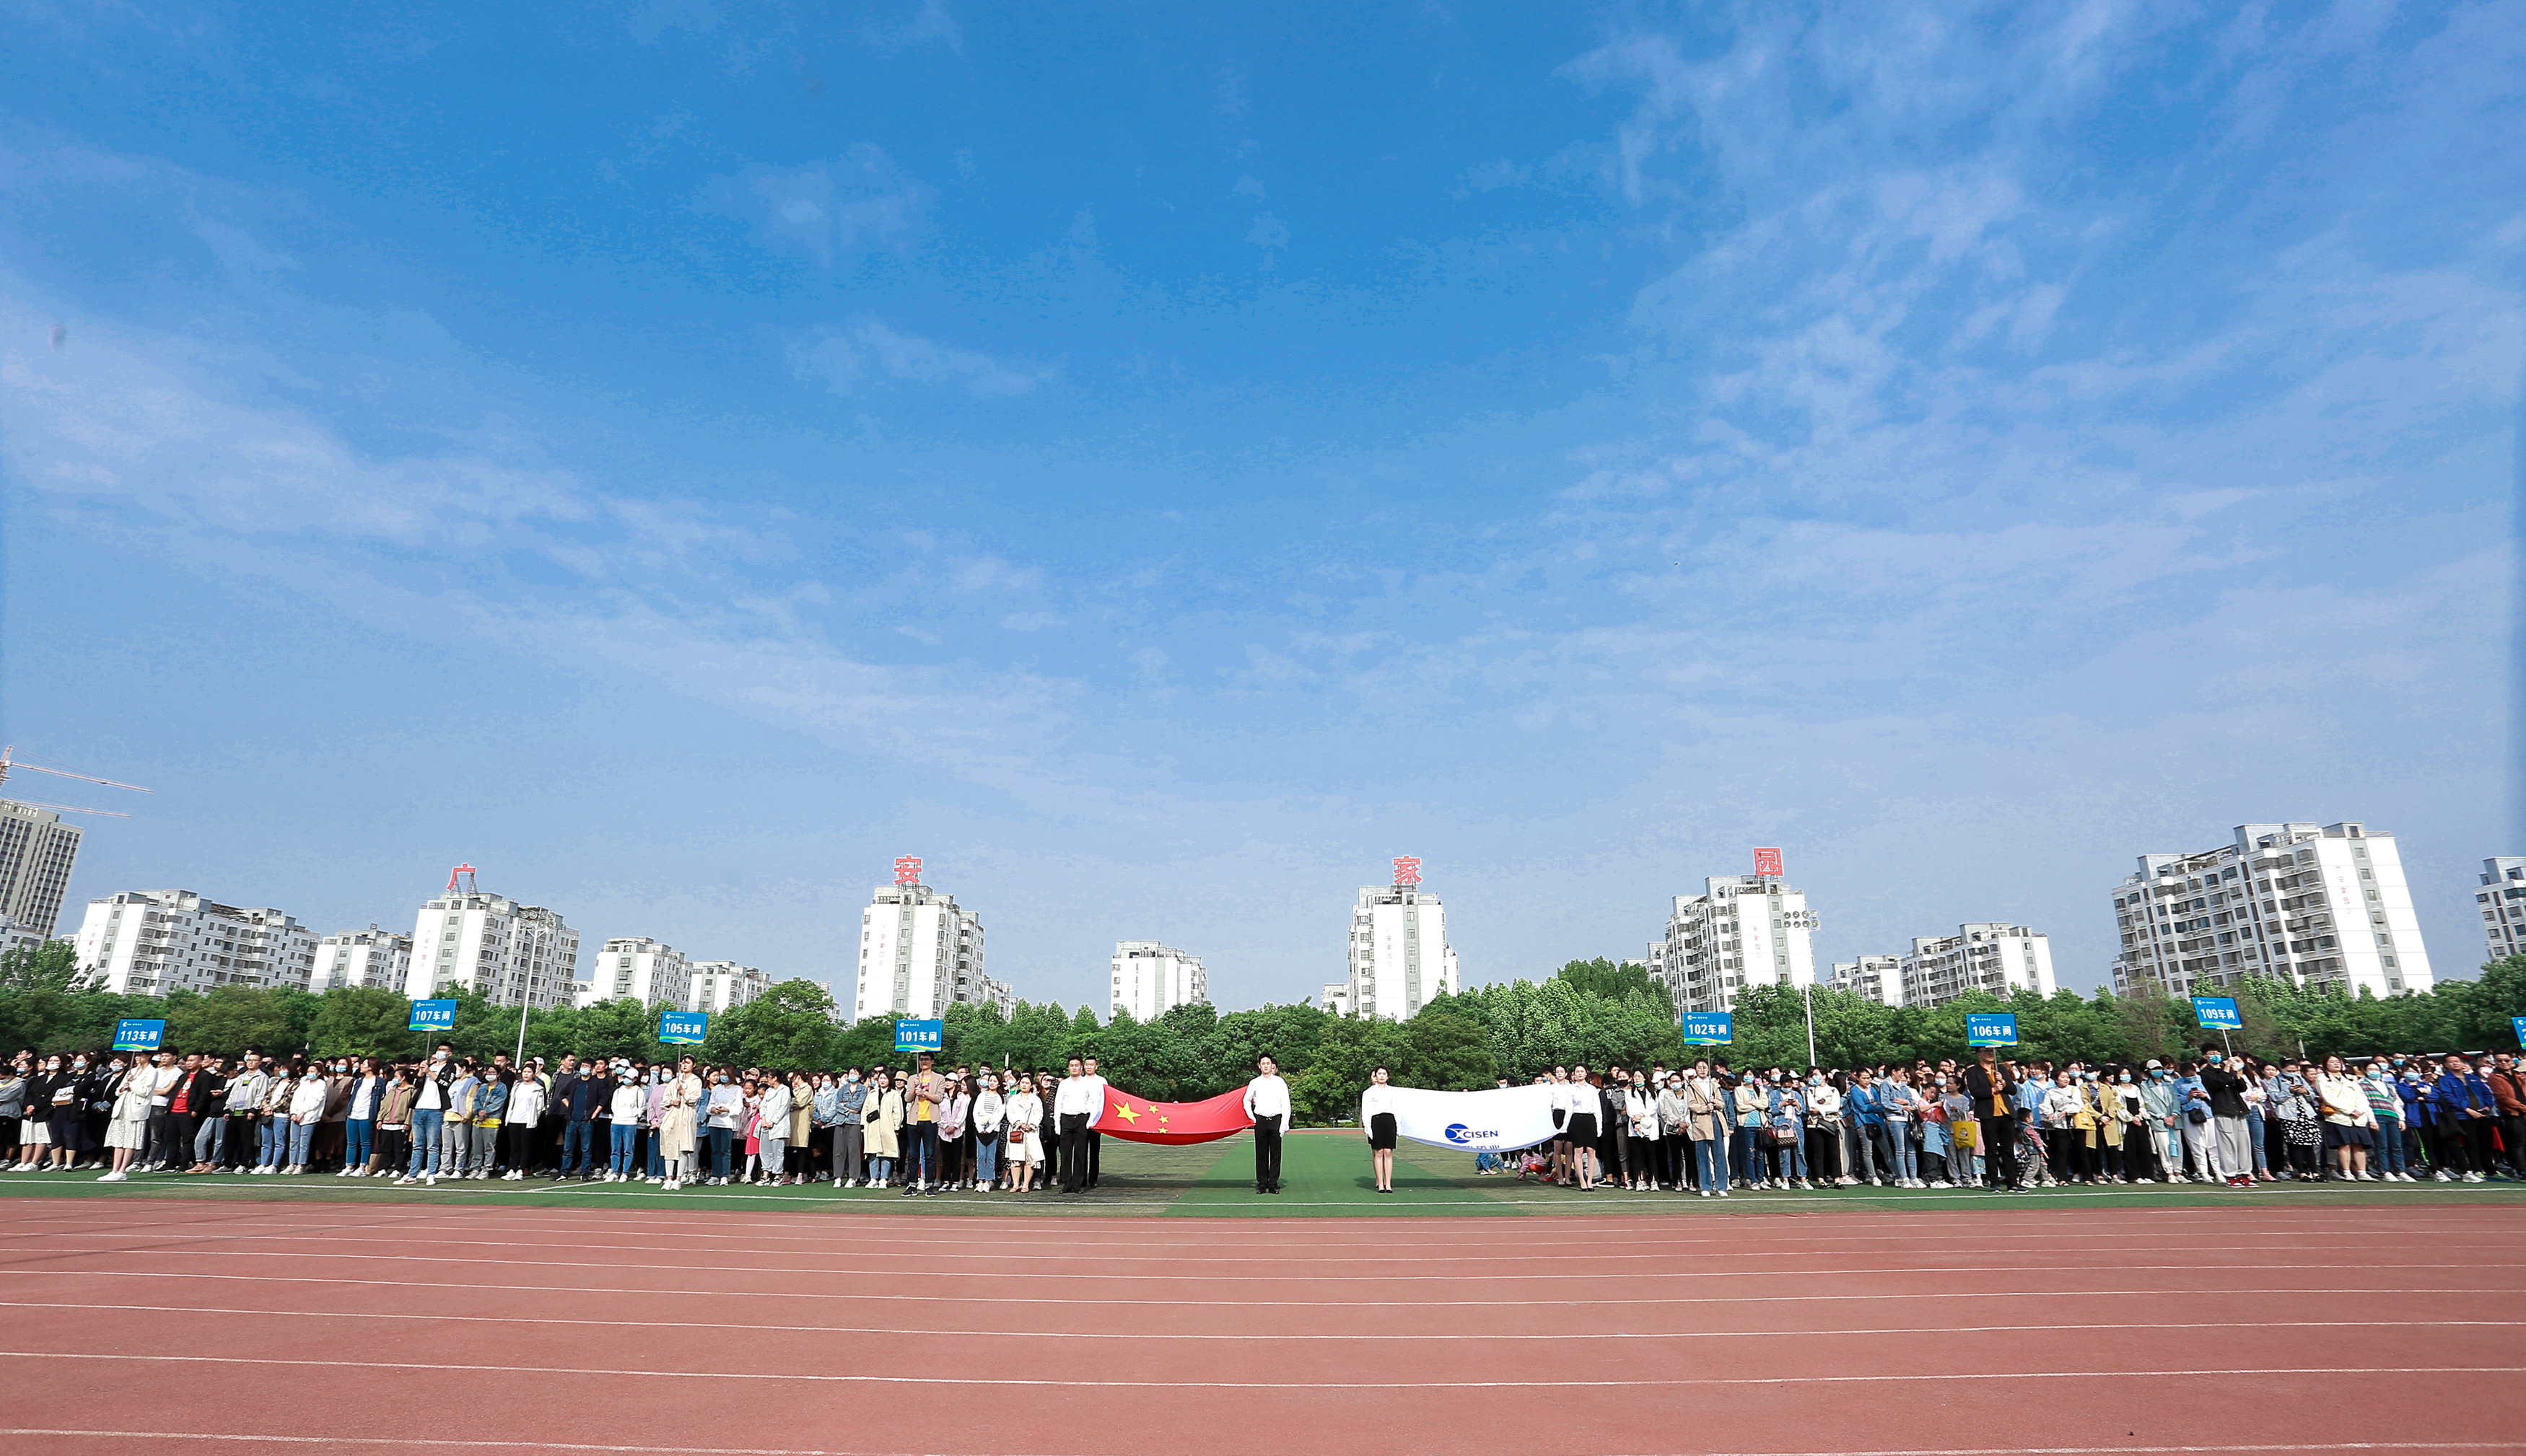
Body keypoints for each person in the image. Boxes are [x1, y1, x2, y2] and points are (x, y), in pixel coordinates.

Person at [1962, 1048, 2019, 1191]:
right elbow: (1975, 1091)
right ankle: (1994, 1182)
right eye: (1986, 1051)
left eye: (1992, 1051)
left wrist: (2003, 1082)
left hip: (2006, 1114)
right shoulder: (1973, 1071)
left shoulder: (2001, 1069)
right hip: (1988, 1115)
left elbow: (2013, 1090)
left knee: (2008, 1150)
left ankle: (2012, 1183)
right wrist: (1992, 1090)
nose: (1990, 1053)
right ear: (1979, 1054)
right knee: (1991, 1150)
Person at [2197, 1046, 2253, 1190]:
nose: (2216, 1056)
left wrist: (2238, 1074)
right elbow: (2219, 1083)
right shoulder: (2206, 1073)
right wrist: (2227, 1068)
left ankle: (2244, 1174)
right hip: (2223, 1109)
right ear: (2205, 1057)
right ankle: (2230, 1175)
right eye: (2211, 1054)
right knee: (2228, 1144)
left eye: (2217, 1053)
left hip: (2238, 1109)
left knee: (2243, 1144)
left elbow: (2242, 1088)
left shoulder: (2228, 1070)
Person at [1243, 1054, 1290, 1195]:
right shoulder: (1255, 1083)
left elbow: (1286, 1103)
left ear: (1272, 1065)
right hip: (1261, 1121)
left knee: (1276, 1154)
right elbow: (1246, 1100)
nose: (1265, 1066)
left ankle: (1273, 1184)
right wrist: (1252, 1117)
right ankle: (1262, 1183)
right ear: (1259, 1066)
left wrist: (1285, 1123)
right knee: (1261, 1154)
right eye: (1263, 1063)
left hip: (1276, 1120)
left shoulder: (1280, 1082)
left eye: (1268, 1063)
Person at [99, 1054, 152, 1180]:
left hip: (136, 1109)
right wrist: (124, 1088)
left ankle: (122, 1170)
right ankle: (114, 1170)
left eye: (141, 1055)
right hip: (122, 1107)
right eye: (137, 1055)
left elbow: (145, 1092)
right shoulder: (132, 1071)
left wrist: (133, 1083)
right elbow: (118, 1091)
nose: (138, 1058)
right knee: (118, 1140)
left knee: (130, 1141)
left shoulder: (152, 1072)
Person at [1054, 1056, 1101, 1195]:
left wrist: (1090, 1121)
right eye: (1071, 1065)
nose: (1074, 1068)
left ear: (1081, 1068)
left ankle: (1078, 1184)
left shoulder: (1087, 1083)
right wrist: (1057, 1123)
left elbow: (1095, 1103)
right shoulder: (1063, 1084)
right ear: (1068, 1068)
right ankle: (1067, 1183)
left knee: (1080, 1153)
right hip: (1066, 1119)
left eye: (1076, 1065)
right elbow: (1058, 1104)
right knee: (1065, 1154)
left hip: (1081, 1119)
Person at [1002, 1070, 1044, 1193]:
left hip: (1031, 1132)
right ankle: (1016, 1184)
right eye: (1023, 1083)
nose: (1024, 1085)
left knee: (1029, 1159)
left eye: (1027, 1083)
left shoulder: (1036, 1100)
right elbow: (1010, 1114)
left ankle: (1026, 1184)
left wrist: (1031, 1125)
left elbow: (1039, 1114)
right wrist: (1019, 1124)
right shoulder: (1013, 1099)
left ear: (1031, 1086)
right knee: (1015, 1159)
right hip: (1017, 1131)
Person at [1361, 1066, 1399, 1193]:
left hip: (1390, 1121)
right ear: (1375, 1076)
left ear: (1388, 1076)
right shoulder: (1368, 1092)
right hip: (1376, 1121)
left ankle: (1388, 1183)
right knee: (1378, 1152)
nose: (1382, 1076)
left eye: (1384, 1074)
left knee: (1388, 1152)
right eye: (1379, 1074)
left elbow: (1397, 1109)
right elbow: (1366, 1111)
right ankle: (1380, 1183)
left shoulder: (1393, 1091)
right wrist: (1368, 1127)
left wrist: (1398, 1125)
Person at [862, 1068, 903, 1188]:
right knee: (873, 1153)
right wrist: (863, 1125)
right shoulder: (872, 1094)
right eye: (881, 1078)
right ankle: (873, 1178)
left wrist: (896, 1127)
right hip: (872, 1127)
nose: (882, 1081)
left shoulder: (894, 1094)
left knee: (886, 1153)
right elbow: (865, 1110)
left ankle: (884, 1179)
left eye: (885, 1078)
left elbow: (898, 1112)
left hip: (888, 1127)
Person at [755, 1071, 792, 1187]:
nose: (767, 1079)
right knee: (765, 1151)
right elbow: (763, 1106)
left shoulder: (785, 1090)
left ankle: (778, 1176)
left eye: (769, 1077)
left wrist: (772, 1121)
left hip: (778, 1125)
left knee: (778, 1152)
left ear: (775, 1078)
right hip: (765, 1124)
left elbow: (783, 1108)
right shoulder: (769, 1091)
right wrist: (764, 1120)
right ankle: (765, 1175)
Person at [971, 1071, 1005, 1192]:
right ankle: (980, 1180)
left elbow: (1000, 1115)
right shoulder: (981, 1096)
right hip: (981, 1128)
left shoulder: (1001, 1098)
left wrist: (990, 1129)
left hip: (993, 1130)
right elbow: (975, 1112)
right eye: (991, 1081)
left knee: (990, 1156)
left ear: (999, 1083)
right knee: (980, 1156)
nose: (992, 1083)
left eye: (995, 1081)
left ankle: (988, 1181)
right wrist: (980, 1128)